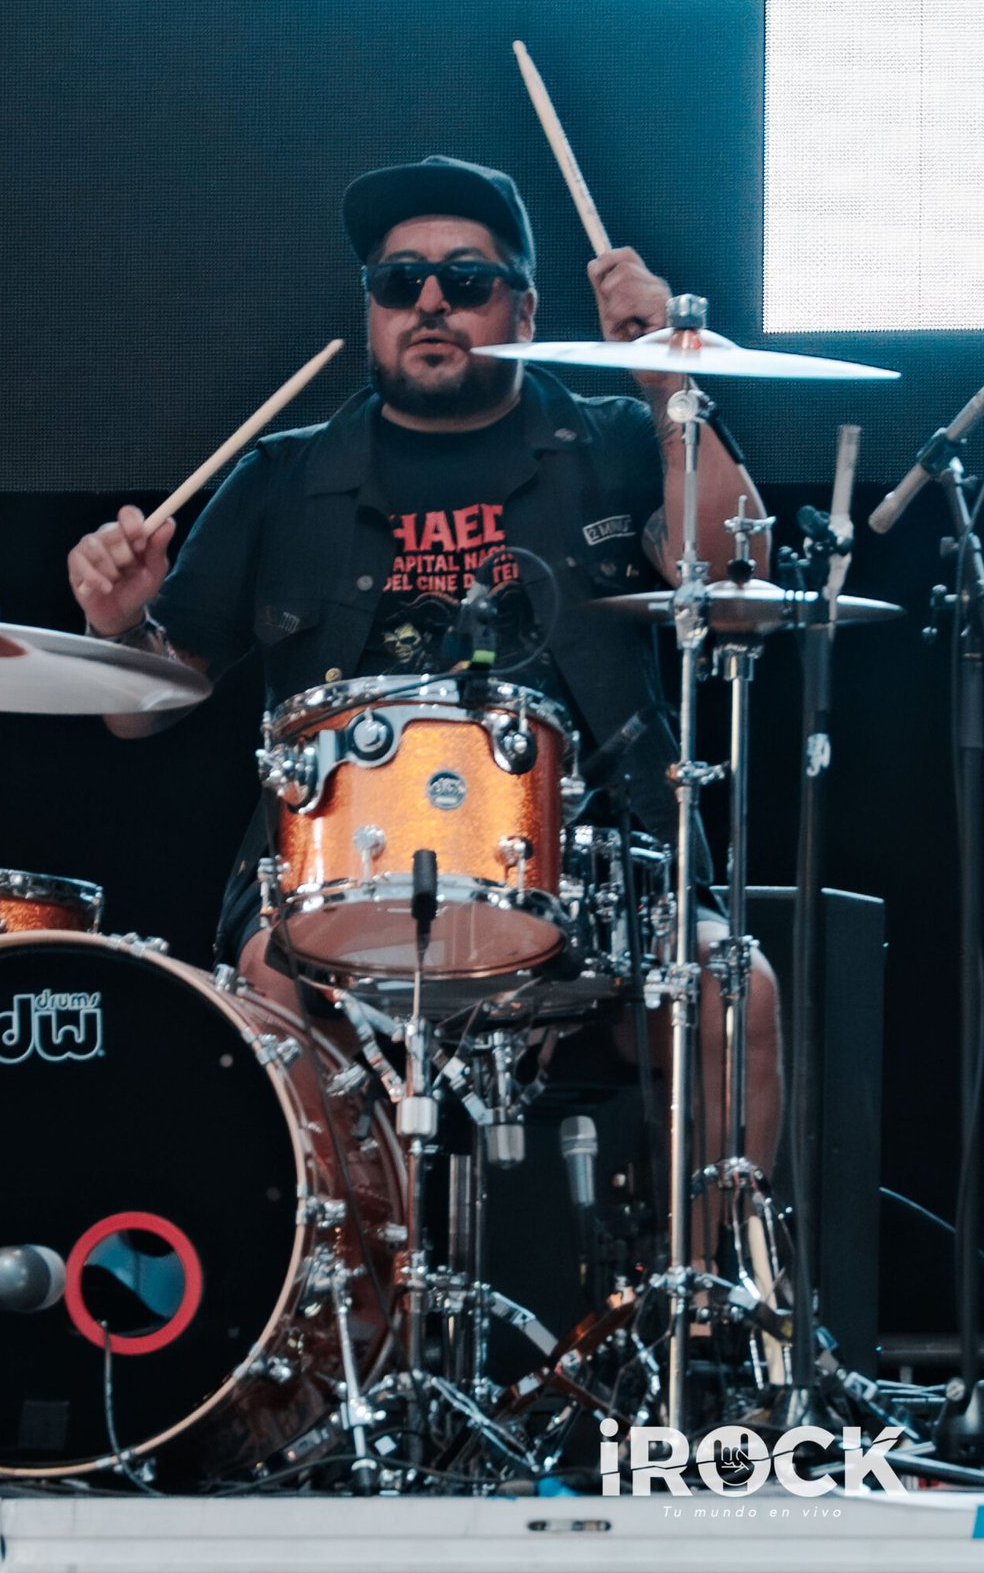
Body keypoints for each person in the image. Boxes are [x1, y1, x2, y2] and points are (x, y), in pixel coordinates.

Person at [67, 155, 781, 1172]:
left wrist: (673, 383)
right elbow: (138, 709)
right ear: (372, 309)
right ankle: (348, 1272)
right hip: (336, 880)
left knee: (731, 991)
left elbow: (734, 574)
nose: (431, 301)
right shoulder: (282, 476)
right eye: (399, 281)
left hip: (594, 873)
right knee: (273, 976)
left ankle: (711, 1274)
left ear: (524, 309)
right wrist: (117, 627)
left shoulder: (615, 440)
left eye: (466, 279)